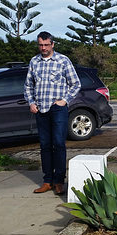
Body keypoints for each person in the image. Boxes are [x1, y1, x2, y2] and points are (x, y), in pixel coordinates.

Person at [24, 31, 81, 194]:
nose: (43, 48)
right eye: (41, 45)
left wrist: (65, 100)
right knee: (45, 145)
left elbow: (75, 84)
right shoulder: (34, 62)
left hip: (57, 109)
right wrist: (31, 102)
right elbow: (28, 85)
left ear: (52, 44)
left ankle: (59, 181)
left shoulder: (63, 61)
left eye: (46, 45)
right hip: (40, 109)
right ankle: (47, 180)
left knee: (58, 144)